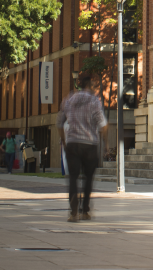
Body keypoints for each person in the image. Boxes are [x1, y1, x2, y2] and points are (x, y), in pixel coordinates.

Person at [57, 74, 107, 223]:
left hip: (72, 142)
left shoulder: (69, 100)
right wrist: (106, 142)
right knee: (88, 178)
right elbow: (102, 124)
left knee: (73, 177)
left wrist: (64, 140)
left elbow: (59, 122)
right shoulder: (94, 101)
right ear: (90, 85)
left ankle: (73, 213)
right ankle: (85, 211)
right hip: (90, 144)